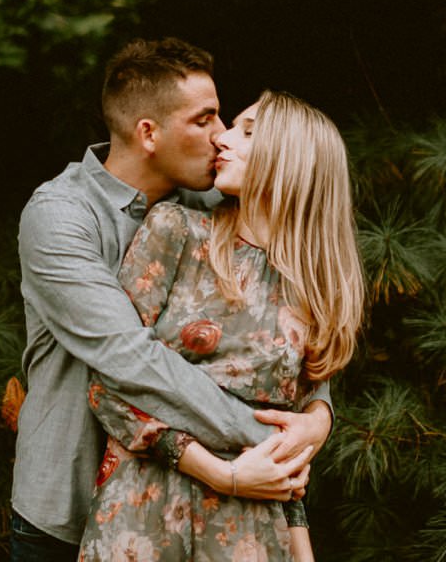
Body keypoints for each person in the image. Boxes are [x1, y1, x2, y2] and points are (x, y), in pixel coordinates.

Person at [12, 40, 335, 562]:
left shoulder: (210, 206)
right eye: (204, 120)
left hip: (199, 516)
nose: (221, 135)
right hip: (67, 507)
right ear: (148, 133)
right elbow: (131, 360)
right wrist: (263, 440)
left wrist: (317, 412)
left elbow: (285, 323)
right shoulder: (60, 216)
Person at [78, 90, 365, 562]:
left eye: (247, 130)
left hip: (249, 537)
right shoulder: (176, 232)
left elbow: (285, 459)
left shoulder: (313, 292)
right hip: (143, 519)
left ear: (290, 160)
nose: (222, 139)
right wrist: (217, 470)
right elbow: (109, 384)